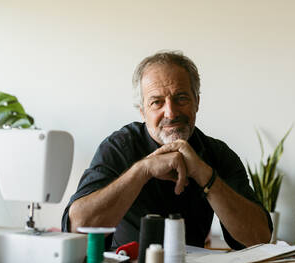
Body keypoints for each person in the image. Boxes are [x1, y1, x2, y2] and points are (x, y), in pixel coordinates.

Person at [62, 51, 272, 249]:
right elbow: (76, 229)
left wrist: (205, 175)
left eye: (181, 98)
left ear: (196, 102)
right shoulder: (119, 147)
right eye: (157, 102)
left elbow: (259, 239)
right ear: (142, 111)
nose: (170, 112)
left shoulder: (217, 154)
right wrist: (143, 170)